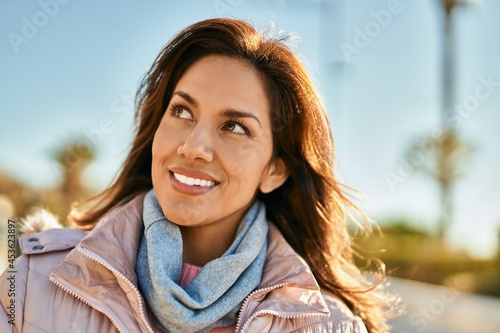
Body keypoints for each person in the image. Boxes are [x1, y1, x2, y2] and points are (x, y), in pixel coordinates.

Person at [1, 18, 392, 332]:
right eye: (182, 111)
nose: (193, 146)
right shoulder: (36, 282)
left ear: (274, 170)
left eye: (235, 127)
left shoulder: (328, 325)